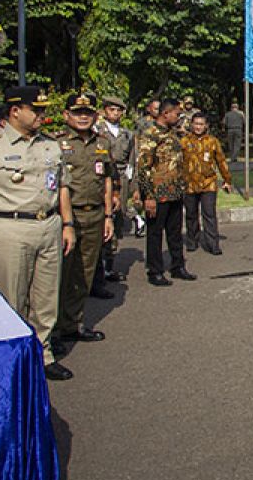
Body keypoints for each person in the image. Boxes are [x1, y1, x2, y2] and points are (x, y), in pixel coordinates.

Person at [0, 85, 77, 381]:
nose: (42, 115)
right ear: (15, 111)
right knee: (10, 299)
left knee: (46, 297)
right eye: (35, 110)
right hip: (9, 228)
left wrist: (67, 224)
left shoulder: (50, 145)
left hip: (48, 226)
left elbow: (62, 186)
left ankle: (43, 353)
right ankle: (11, 360)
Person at [52, 93, 116, 355]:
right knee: (59, 275)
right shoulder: (56, 143)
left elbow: (108, 179)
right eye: (77, 112)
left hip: (94, 215)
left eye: (87, 113)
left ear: (95, 116)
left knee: (84, 273)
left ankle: (73, 323)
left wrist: (109, 215)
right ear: (67, 115)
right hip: (66, 217)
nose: (82, 117)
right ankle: (52, 331)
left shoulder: (102, 144)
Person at [137, 98, 196, 286]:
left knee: (175, 232)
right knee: (155, 234)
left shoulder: (173, 134)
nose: (179, 118)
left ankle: (177, 266)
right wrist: (148, 196)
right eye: (177, 114)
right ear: (166, 113)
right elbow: (144, 167)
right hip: (157, 193)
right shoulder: (151, 134)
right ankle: (155, 270)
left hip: (175, 192)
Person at [180, 112, 232, 256]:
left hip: (208, 184)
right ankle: (192, 241)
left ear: (206, 126)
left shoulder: (213, 141)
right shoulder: (183, 142)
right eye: (196, 124)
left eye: (201, 124)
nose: (198, 127)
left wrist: (227, 180)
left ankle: (213, 244)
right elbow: (177, 163)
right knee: (191, 215)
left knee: (209, 214)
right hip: (189, 184)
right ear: (191, 125)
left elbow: (221, 161)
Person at [95, 95, 133, 282]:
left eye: (118, 110)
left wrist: (133, 185)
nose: (115, 113)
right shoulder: (97, 131)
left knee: (117, 219)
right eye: (111, 110)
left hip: (121, 177)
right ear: (104, 111)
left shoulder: (127, 134)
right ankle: (98, 267)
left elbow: (131, 160)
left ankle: (109, 266)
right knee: (101, 218)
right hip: (102, 176)